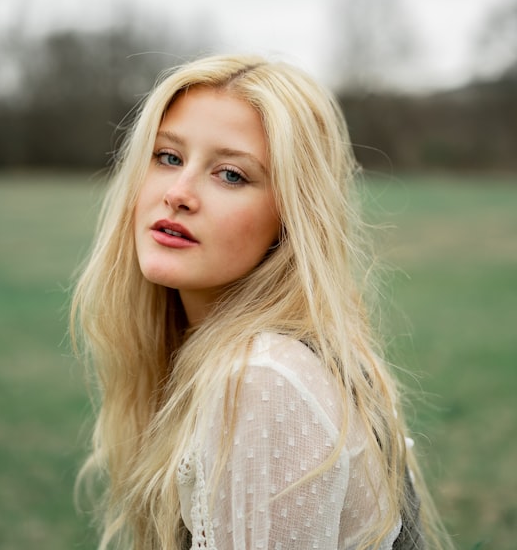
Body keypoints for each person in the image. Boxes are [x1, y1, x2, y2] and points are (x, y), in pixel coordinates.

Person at [71, 54, 451, 550]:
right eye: (168, 157)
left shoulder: (264, 378)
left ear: (291, 218)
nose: (179, 193)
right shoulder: (249, 360)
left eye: (230, 174)